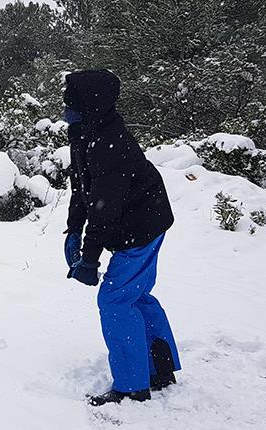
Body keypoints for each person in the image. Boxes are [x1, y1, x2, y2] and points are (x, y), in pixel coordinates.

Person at [61, 70, 181, 406]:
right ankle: (159, 367)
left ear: (91, 103)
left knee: (114, 300)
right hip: (139, 221)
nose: (66, 108)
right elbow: (81, 189)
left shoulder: (111, 145)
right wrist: (72, 229)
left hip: (140, 226)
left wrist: (89, 258)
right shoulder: (85, 134)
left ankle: (132, 385)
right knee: (136, 296)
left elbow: (104, 210)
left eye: (72, 102)